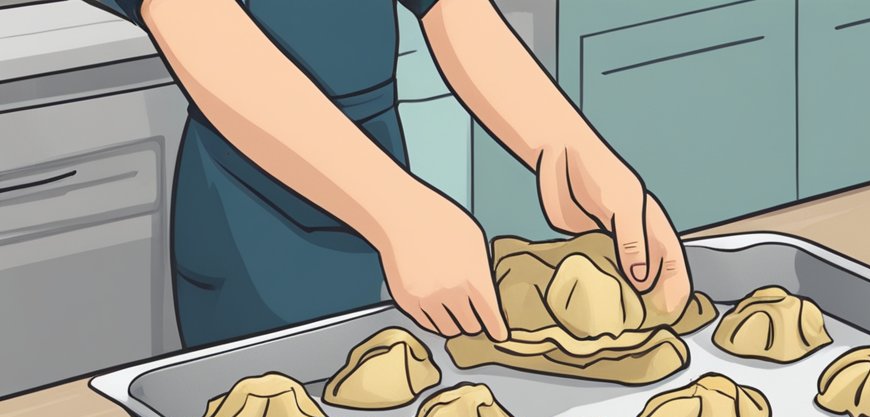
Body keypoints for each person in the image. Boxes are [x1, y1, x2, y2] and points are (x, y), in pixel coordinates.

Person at [84, 0, 691, 346]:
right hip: (256, 213)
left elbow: (452, 7)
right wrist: (397, 212)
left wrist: (565, 146)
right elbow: (199, 25)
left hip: (386, 175)